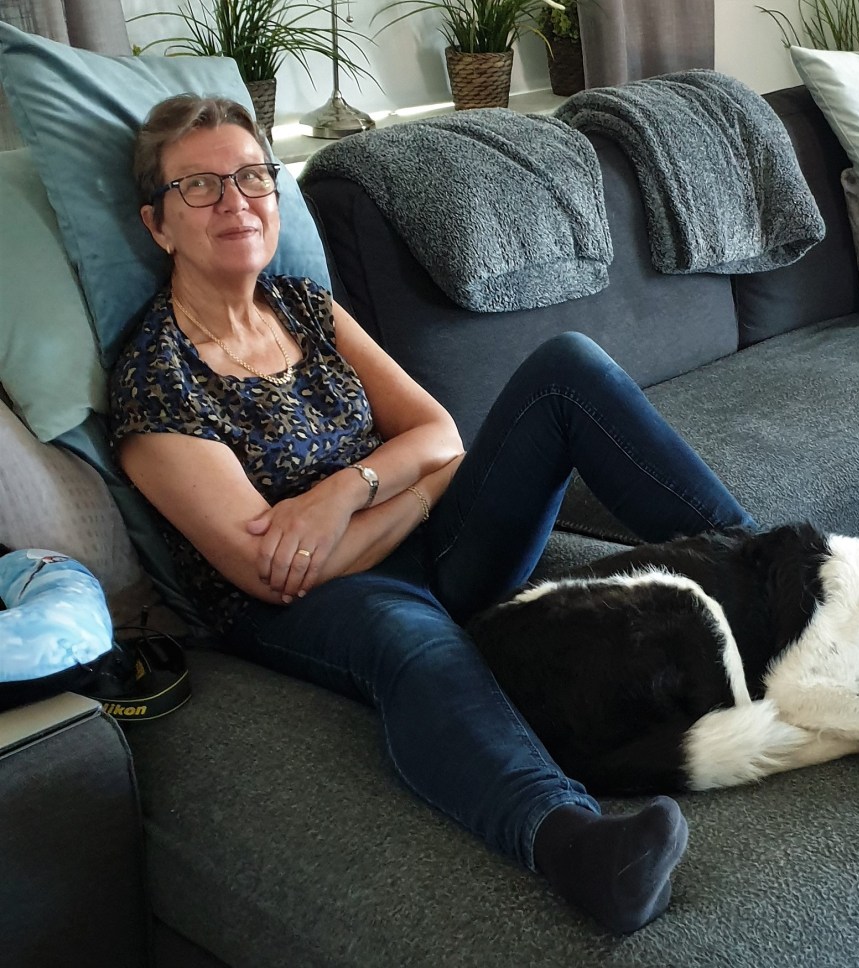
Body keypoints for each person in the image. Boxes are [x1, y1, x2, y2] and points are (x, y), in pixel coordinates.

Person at [109, 94, 756, 934]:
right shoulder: (156, 379)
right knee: (405, 634)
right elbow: (273, 571)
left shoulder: (303, 306)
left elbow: (439, 432)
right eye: (199, 186)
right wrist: (420, 486)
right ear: (157, 224)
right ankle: (575, 846)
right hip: (306, 605)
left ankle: (772, 569)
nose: (236, 202)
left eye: (252, 177)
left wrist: (345, 492)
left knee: (565, 371)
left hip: (409, 537)